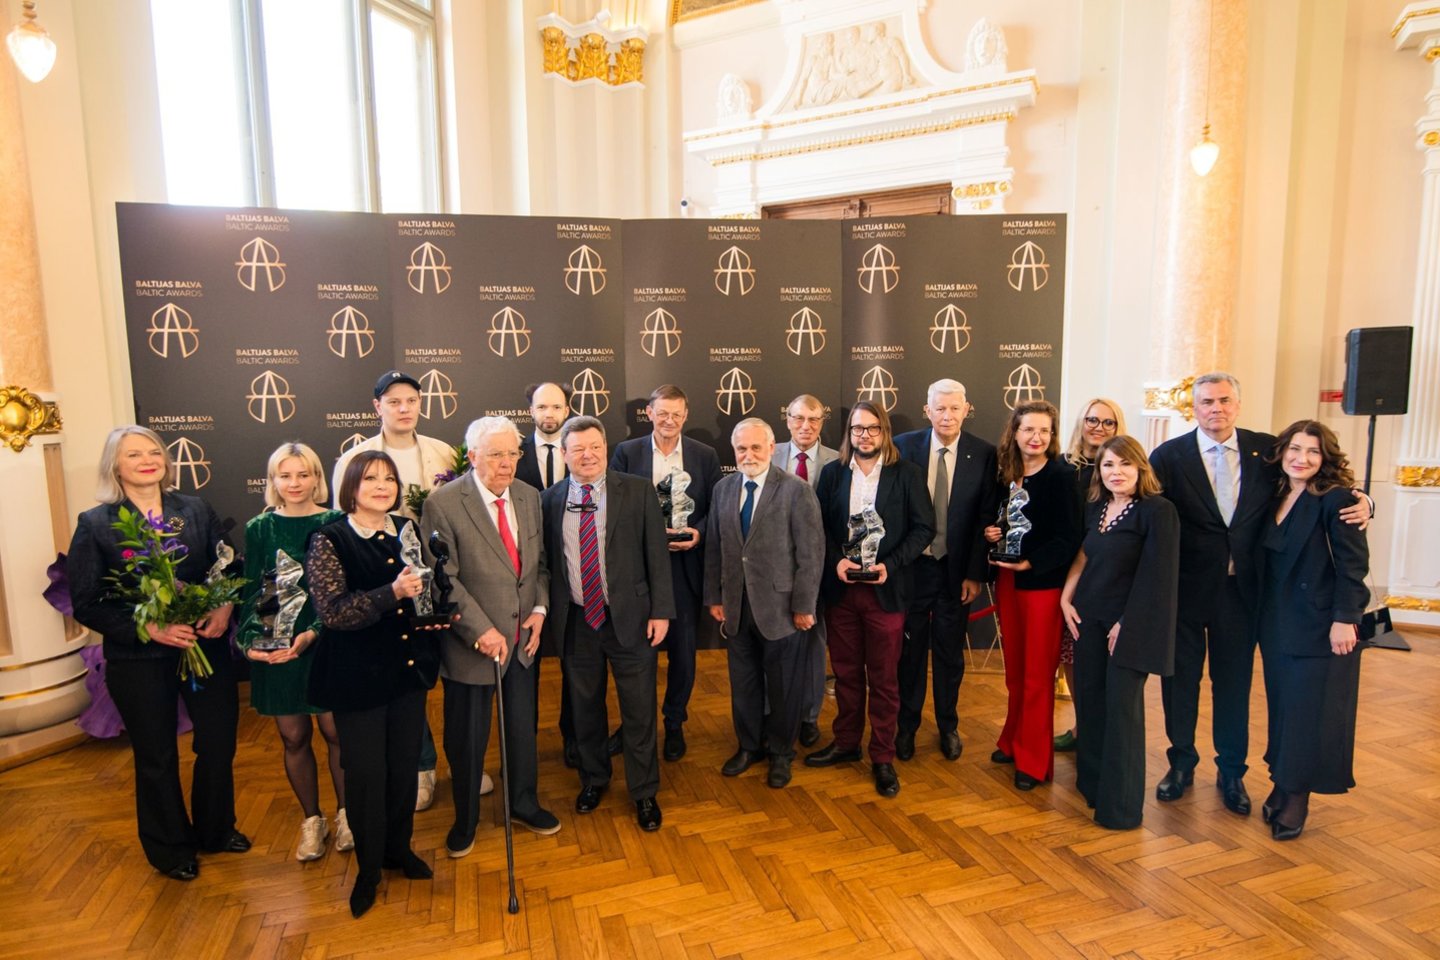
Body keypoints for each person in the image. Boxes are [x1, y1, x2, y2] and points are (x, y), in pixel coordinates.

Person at [1147, 373, 1370, 815]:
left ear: (1238, 404)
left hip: (1244, 593)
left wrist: (1364, 501)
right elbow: (1150, 513)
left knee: (1234, 684)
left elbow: (1315, 482)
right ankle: (1181, 763)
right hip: (1185, 593)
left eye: (1224, 400)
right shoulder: (1168, 456)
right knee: (1180, 683)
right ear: (1194, 407)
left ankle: (1232, 771)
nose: (1216, 408)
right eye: (1207, 401)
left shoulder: (1268, 451)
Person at [67, 426, 247, 882]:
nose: (147, 460)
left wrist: (224, 607)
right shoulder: (96, 523)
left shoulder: (195, 509)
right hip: (139, 661)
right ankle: (170, 849)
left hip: (203, 644)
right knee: (157, 755)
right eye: (134, 454)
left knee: (218, 742)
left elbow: (228, 565)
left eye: (154, 452)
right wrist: (148, 628)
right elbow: (86, 601)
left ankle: (216, 830)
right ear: (115, 465)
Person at [305, 450, 444, 918]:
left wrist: (435, 610)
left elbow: (422, 595)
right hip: (358, 679)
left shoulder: (405, 529)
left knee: (403, 768)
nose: (382, 486)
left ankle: (398, 850)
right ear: (351, 487)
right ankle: (368, 870)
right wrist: (393, 593)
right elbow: (334, 612)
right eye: (370, 479)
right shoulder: (330, 538)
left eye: (389, 478)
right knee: (366, 776)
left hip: (407, 673)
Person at [420, 416, 561, 862]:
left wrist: (539, 610)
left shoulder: (529, 496)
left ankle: (523, 802)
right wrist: (480, 630)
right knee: (467, 738)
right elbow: (444, 580)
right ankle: (466, 819)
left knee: (521, 729)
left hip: (522, 641)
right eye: (496, 454)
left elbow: (539, 566)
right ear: (473, 456)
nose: (506, 463)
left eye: (513, 453)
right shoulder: (443, 503)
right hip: (472, 645)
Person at [331, 369, 462, 813]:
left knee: (445, 672)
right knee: (404, 677)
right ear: (377, 407)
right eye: (393, 402)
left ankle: (457, 762)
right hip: (383, 587)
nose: (404, 409)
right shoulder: (356, 457)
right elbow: (343, 524)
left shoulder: (444, 451)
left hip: (439, 575)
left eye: (411, 400)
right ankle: (422, 766)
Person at [542, 416, 675, 831]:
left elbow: (657, 555)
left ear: (606, 448)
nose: (588, 455)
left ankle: (644, 791)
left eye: (595, 447)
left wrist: (661, 611)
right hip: (577, 621)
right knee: (585, 708)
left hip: (631, 620)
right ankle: (594, 779)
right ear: (564, 454)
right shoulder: (548, 500)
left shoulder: (636, 490)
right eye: (578, 449)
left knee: (638, 710)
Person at [805, 401, 933, 798]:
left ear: (884, 432)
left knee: (883, 678)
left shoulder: (907, 474)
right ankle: (846, 743)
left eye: (872, 428)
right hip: (843, 591)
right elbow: (818, 528)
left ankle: (882, 755)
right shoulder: (833, 473)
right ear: (849, 433)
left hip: (885, 592)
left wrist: (890, 565)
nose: (865, 435)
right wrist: (836, 561)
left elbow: (924, 528)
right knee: (845, 673)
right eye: (857, 428)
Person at [1255, 421, 1369, 841]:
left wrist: (1345, 619)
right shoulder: (1276, 494)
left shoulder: (1336, 499)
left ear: (1325, 458)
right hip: (1276, 623)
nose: (1301, 458)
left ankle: (1296, 797)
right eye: (1295, 449)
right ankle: (1281, 781)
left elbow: (1353, 565)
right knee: (1284, 709)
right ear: (1282, 452)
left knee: (1308, 714)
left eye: (1313, 451)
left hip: (1321, 626)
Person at [1060, 436, 1179, 829]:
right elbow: (1085, 554)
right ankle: (1094, 787)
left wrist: (1127, 623)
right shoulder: (1097, 507)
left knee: (1122, 713)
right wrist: (1066, 597)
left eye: (1125, 464)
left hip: (1129, 626)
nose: (1116, 472)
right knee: (1091, 703)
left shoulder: (1158, 511)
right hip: (1088, 620)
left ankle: (1121, 809)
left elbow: (1159, 576)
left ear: (1140, 467)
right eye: (1108, 465)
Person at [237, 442, 349, 862]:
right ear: (273, 481)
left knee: (336, 732)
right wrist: (251, 642)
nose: (295, 483)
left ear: (317, 478)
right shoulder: (259, 528)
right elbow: (252, 593)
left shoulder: (335, 521)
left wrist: (314, 632)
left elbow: (342, 589)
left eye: (303, 474)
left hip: (327, 642)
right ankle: (311, 820)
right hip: (278, 645)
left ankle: (347, 815)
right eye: (285, 475)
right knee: (293, 736)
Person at [705, 418, 825, 789]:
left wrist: (804, 606)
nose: (748, 455)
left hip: (783, 610)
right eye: (741, 448)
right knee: (744, 685)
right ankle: (749, 746)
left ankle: (781, 753)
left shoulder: (795, 490)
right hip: (737, 608)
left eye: (756, 447)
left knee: (784, 688)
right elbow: (715, 546)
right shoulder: (723, 489)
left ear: (772, 448)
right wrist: (715, 597)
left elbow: (811, 554)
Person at [610, 384, 720, 762]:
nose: (669, 420)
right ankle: (634, 725)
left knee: (684, 656)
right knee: (638, 655)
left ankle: (674, 723)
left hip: (685, 569)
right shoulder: (626, 453)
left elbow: (716, 506)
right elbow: (615, 509)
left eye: (676, 414)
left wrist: (698, 533)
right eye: (662, 413)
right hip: (639, 572)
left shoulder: (704, 455)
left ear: (685, 415)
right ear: (649, 414)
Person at [894, 379, 998, 762]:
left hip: (956, 572)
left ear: (966, 409)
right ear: (927, 411)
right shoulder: (903, 447)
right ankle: (906, 727)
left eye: (955, 408)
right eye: (940, 408)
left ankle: (948, 726)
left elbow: (985, 516)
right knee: (909, 654)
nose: (948, 416)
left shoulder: (984, 454)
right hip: (913, 569)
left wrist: (975, 573)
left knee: (950, 655)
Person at [984, 400, 1082, 791]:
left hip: (1042, 585)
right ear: (1015, 432)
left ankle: (1034, 760)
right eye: (1028, 429)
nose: (1036, 437)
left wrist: (1032, 562)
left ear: (1052, 435)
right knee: (1015, 671)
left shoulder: (1062, 476)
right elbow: (1002, 521)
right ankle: (1012, 740)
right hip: (1008, 583)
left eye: (1044, 430)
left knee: (1038, 675)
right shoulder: (1005, 473)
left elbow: (1070, 537)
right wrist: (992, 532)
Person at [1054, 398, 1126, 753]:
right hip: (1066, 573)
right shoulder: (1063, 466)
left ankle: (1106, 733)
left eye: (1108, 422)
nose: (1099, 427)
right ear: (1081, 422)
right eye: (1093, 420)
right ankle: (1083, 726)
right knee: (1073, 657)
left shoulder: (1123, 470)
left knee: (1107, 661)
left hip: (1108, 578)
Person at [772, 394, 838, 748]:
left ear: (822, 421)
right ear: (787, 420)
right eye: (798, 418)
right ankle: (775, 712)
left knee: (814, 645)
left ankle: (809, 717)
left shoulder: (839, 462)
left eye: (813, 419)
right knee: (774, 644)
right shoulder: (768, 454)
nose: (805, 426)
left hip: (818, 570)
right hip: (774, 571)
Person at [517, 381, 572, 491]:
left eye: (557, 407)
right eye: (541, 407)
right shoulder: (516, 452)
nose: (549, 414)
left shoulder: (579, 452)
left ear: (566, 412)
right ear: (532, 411)